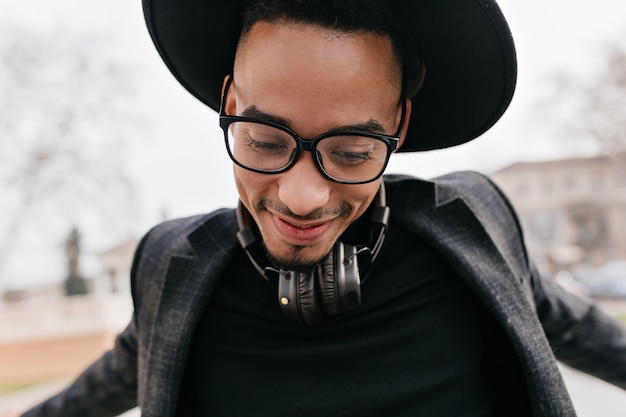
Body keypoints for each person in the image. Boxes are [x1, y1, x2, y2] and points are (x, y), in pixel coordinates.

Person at [16, 0, 626, 416]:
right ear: (229, 101)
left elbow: (585, 333)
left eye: (353, 151)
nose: (301, 197)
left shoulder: (478, 224)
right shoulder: (168, 265)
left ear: (398, 124)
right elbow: (93, 392)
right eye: (264, 141)